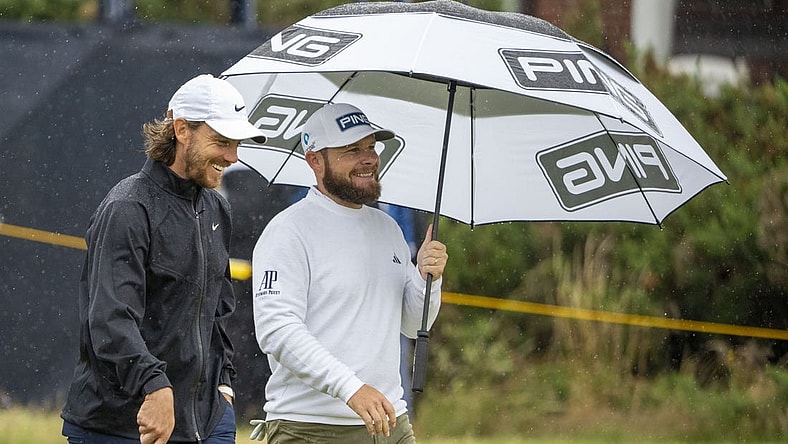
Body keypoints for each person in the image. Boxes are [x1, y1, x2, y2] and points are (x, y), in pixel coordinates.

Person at [60, 74, 267, 444]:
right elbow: (109, 319)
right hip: (121, 426)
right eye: (221, 142)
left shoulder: (217, 207)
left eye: (236, 144)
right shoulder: (127, 207)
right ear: (182, 129)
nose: (233, 158)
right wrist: (155, 386)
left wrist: (224, 384)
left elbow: (218, 311)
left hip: (206, 420)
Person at [249, 103, 448, 443]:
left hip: (392, 424)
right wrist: (351, 388)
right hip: (310, 428)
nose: (369, 158)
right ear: (315, 160)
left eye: (371, 146)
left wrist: (428, 278)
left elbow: (414, 325)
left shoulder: (389, 229)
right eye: (352, 150)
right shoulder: (288, 231)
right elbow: (277, 330)